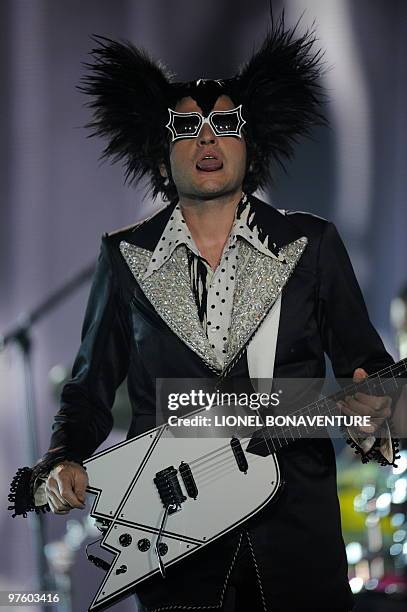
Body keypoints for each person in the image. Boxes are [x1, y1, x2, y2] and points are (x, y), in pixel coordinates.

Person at [8, 15, 399, 612]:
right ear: (163, 157)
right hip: (176, 541)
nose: (208, 138)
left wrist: (376, 415)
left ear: (252, 146)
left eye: (225, 124)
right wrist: (63, 458)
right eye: (187, 125)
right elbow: (89, 390)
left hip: (293, 538)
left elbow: (370, 371)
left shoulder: (312, 245)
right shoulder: (126, 257)